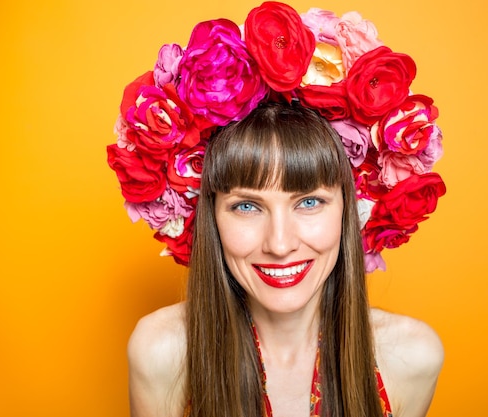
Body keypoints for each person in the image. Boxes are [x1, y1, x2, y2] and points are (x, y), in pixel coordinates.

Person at [107, 2, 446, 416]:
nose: (280, 244)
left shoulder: (412, 358)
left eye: (309, 201)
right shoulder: (162, 352)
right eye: (247, 206)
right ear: (209, 213)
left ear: (353, 208)